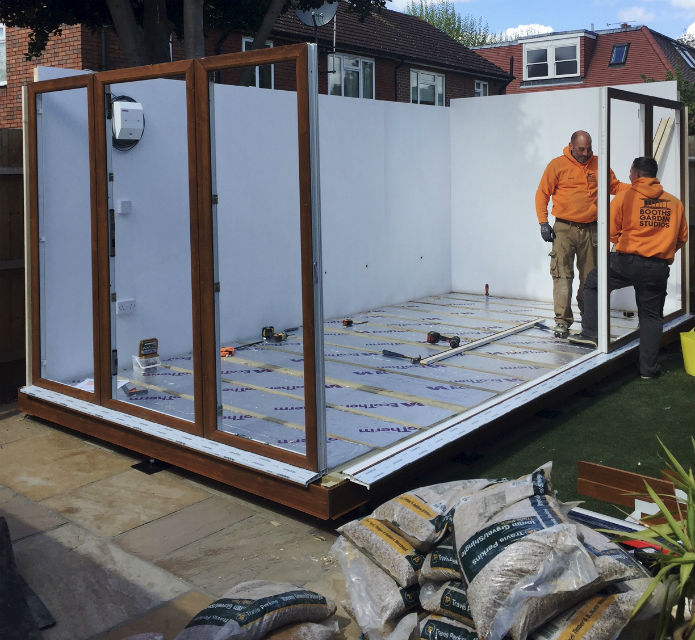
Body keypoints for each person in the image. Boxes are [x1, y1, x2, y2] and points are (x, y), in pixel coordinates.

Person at [569, 156, 688, 379]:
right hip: (657, 267)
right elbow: (682, 238)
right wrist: (661, 250)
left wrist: (627, 243)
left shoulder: (625, 197)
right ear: (654, 175)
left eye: (630, 172)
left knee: (594, 283)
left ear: (634, 174)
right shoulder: (674, 203)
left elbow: (611, 231)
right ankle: (648, 371)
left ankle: (591, 333)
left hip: (627, 262)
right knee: (651, 316)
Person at [535, 130, 627, 338]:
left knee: (590, 277)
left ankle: (590, 319)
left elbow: (616, 187)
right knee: (562, 276)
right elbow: (542, 194)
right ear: (571, 146)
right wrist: (543, 222)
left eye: (588, 149)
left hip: (591, 230)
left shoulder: (598, 164)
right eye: (581, 149)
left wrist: (638, 188)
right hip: (564, 229)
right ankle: (562, 321)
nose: (586, 153)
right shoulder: (557, 165)